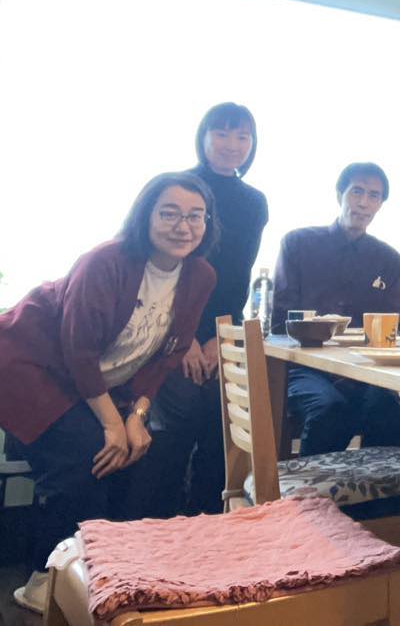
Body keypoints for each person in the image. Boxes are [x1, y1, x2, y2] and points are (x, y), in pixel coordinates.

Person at [0, 172, 217, 614]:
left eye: (196, 216)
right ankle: (46, 582)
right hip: (24, 364)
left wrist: (136, 417)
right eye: (169, 213)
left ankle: (104, 574)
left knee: (135, 453)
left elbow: (168, 354)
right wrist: (112, 424)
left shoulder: (200, 276)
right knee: (86, 457)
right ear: (145, 216)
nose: (183, 226)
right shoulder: (106, 261)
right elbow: (79, 350)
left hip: (87, 380)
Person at [128, 103, 268, 517]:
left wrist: (216, 339)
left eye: (242, 136)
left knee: (223, 426)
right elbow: (163, 271)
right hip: (169, 327)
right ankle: (156, 525)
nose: (232, 144)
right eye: (221, 133)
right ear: (203, 137)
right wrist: (184, 338)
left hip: (220, 332)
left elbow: (237, 276)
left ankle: (204, 524)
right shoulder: (180, 190)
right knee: (178, 420)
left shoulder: (255, 202)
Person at [272, 162, 400, 456]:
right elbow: (280, 322)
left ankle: (378, 486)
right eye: (357, 191)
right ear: (339, 195)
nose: (364, 202)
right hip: (304, 368)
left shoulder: (388, 259)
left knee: (387, 409)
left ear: (381, 204)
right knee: (330, 409)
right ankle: (311, 486)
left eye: (374, 195)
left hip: (363, 370)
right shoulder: (298, 244)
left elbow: (396, 326)